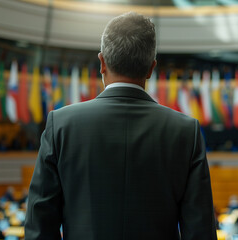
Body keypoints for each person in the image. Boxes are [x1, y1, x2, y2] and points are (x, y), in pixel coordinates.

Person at [25, 12, 217, 240]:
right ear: (151, 68)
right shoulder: (187, 133)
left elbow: (39, 229)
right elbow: (200, 233)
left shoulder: (61, 125)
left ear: (102, 62)